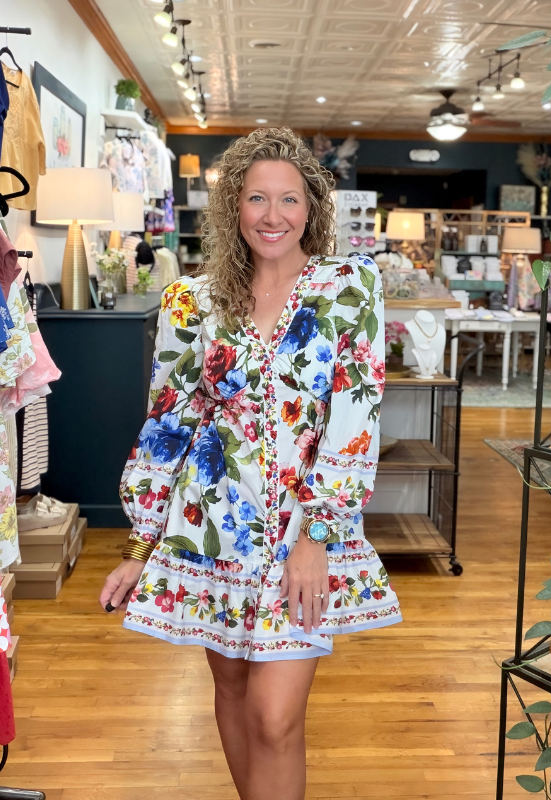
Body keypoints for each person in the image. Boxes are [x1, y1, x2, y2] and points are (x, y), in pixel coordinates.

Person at [100, 126, 402, 800]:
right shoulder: (192, 300)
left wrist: (319, 534)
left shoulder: (350, 286)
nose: (274, 216)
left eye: (289, 199)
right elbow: (168, 420)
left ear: (313, 208)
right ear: (233, 208)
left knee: (274, 716)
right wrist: (143, 538)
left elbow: (357, 414)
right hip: (210, 529)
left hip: (303, 529)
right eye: (257, 199)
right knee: (233, 691)